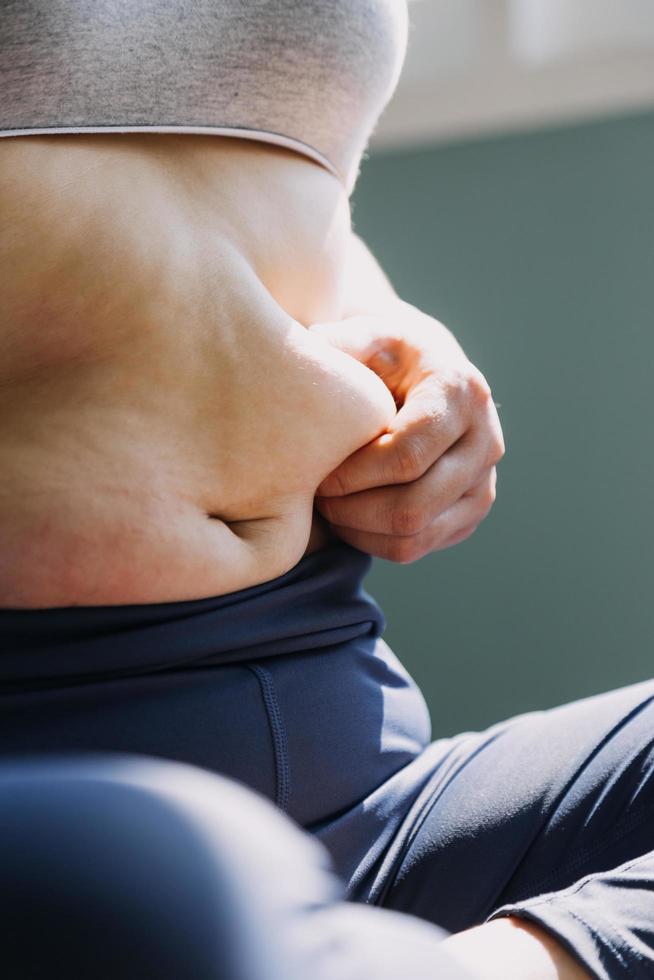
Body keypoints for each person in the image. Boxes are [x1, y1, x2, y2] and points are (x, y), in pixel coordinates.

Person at [0, 3, 652, 977]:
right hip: (65, 776)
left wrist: (387, 331)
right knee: (164, 889)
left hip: (367, 768)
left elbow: (286, 192)